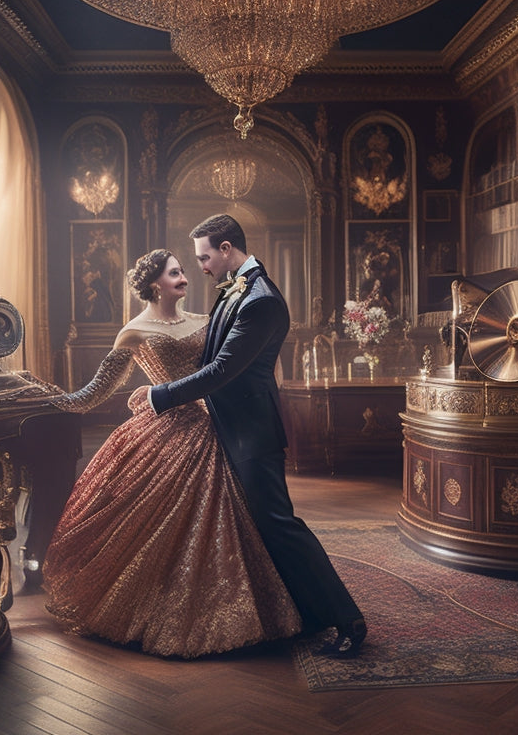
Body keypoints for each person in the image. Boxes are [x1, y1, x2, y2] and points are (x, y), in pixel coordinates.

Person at [43, 249, 301, 658]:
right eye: (175, 272)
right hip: (165, 428)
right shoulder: (133, 332)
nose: (185, 276)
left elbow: (248, 363)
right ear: (153, 284)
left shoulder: (206, 320)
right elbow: (96, 391)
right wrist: (47, 399)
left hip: (216, 423)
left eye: (184, 269)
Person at [149, 214, 368, 658]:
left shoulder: (261, 299)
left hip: (252, 433)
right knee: (258, 527)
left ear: (227, 248)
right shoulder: (238, 288)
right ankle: (301, 615)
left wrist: (162, 396)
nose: (202, 267)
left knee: (280, 526)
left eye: (205, 257)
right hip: (228, 427)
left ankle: (349, 620)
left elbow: (224, 369)